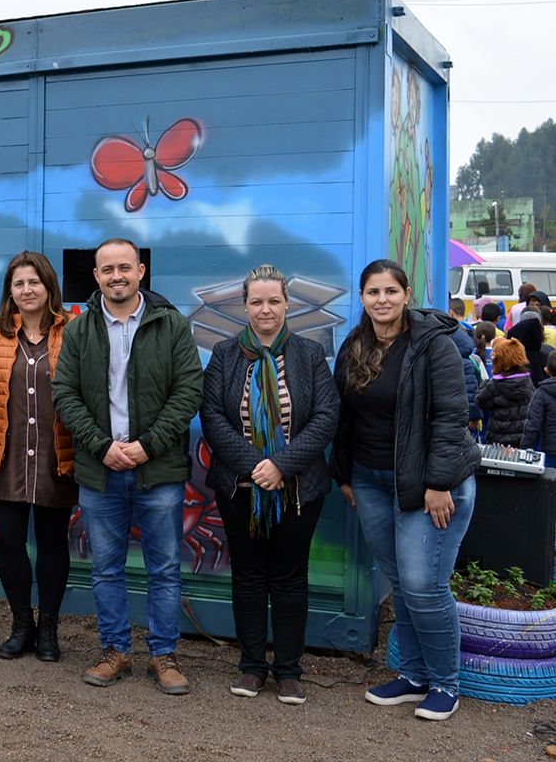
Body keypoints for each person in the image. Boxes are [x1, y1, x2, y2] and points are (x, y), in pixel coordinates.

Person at [51, 238, 203, 694]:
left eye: (124, 267)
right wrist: (101, 446)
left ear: (140, 271)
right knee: (106, 569)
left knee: (164, 569)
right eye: (107, 269)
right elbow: (65, 394)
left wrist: (147, 446)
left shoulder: (171, 324)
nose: (116, 276)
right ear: (96, 276)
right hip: (101, 471)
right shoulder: (79, 329)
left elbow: (189, 390)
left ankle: (163, 655)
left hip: (157, 470)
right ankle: (114, 651)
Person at [334, 259, 479, 722]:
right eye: (373, 292)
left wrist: (438, 483)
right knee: (400, 582)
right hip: (370, 481)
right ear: (362, 298)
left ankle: (445, 683)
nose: (382, 300)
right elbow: (343, 417)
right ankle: (414, 675)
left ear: (406, 294)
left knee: (424, 585)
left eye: (390, 291)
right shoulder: (355, 345)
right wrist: (344, 474)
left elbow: (452, 417)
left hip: (427, 485)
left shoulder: (434, 344)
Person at [199, 265, 339, 705]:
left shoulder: (309, 354)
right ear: (244, 306)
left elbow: (326, 417)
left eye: (274, 301)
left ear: (286, 304)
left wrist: (280, 466)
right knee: (248, 576)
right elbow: (212, 418)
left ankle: (289, 672)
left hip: (298, 490)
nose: (266, 309)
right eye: (257, 301)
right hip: (239, 489)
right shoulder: (225, 354)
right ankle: (252, 667)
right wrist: (255, 466)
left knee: (291, 578)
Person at [0, 251, 75, 662]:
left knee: (52, 544)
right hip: (6, 458)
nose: (27, 290)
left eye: (35, 282)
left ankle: (48, 627)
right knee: (9, 543)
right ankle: (21, 624)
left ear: (49, 286)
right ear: (9, 291)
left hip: (57, 458)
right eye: (19, 283)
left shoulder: (74, 332)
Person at [477, 337, 534, 446]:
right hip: (522, 437)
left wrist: (485, 384)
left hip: (498, 439)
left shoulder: (495, 385)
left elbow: (480, 401)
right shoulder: (527, 381)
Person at [521, 357, 556, 452]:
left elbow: (533, 424)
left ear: (546, 370)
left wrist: (526, 447)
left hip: (550, 448)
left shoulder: (541, 393)